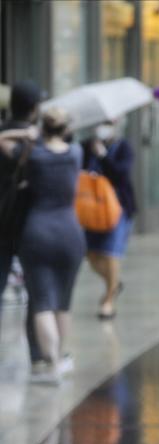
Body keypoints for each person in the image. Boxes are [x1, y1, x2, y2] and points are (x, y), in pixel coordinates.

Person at [0, 107, 84, 384]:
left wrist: (24, 134)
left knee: (42, 303)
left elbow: (2, 141)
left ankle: (52, 364)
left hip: (37, 232)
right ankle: (63, 355)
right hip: (70, 232)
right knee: (63, 303)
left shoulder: (33, 156)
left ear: (42, 127)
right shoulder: (75, 154)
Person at [0, 80, 46, 369]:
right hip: (28, 222)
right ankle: (38, 353)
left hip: (1, 224)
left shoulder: (7, 132)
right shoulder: (38, 140)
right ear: (34, 108)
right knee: (37, 291)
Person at [82, 118, 137, 319]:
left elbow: (121, 174)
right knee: (91, 254)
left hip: (118, 208)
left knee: (111, 253)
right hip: (91, 208)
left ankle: (109, 299)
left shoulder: (124, 147)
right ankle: (114, 283)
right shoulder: (86, 146)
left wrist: (103, 156)